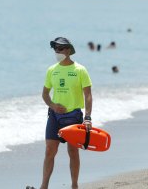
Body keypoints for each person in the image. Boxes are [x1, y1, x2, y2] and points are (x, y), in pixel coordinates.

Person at [40, 37, 93, 189]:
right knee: (50, 150)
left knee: (72, 151)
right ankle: (44, 186)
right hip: (55, 116)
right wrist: (52, 105)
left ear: (69, 50)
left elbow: (88, 95)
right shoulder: (52, 70)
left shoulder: (80, 70)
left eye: (61, 48)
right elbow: (44, 94)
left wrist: (88, 117)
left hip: (74, 116)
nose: (57, 51)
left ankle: (74, 185)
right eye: (55, 48)